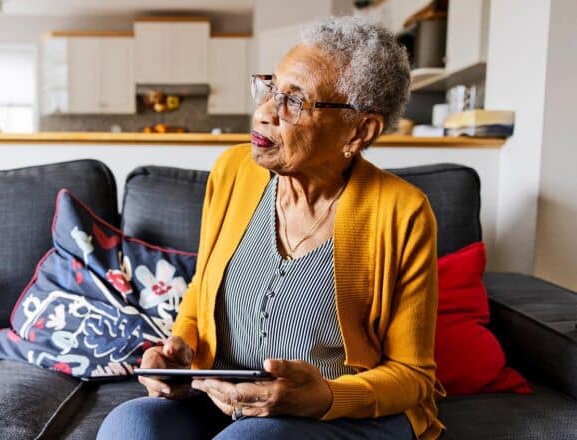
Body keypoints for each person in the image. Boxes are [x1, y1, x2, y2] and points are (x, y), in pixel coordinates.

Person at [98, 15, 446, 440]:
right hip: (225, 400)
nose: (263, 113)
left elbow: (413, 375)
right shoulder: (233, 173)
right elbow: (201, 289)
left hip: (343, 415)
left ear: (359, 130)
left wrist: (324, 398)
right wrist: (180, 348)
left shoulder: (403, 211)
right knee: (131, 425)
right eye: (270, 89)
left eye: (294, 102)